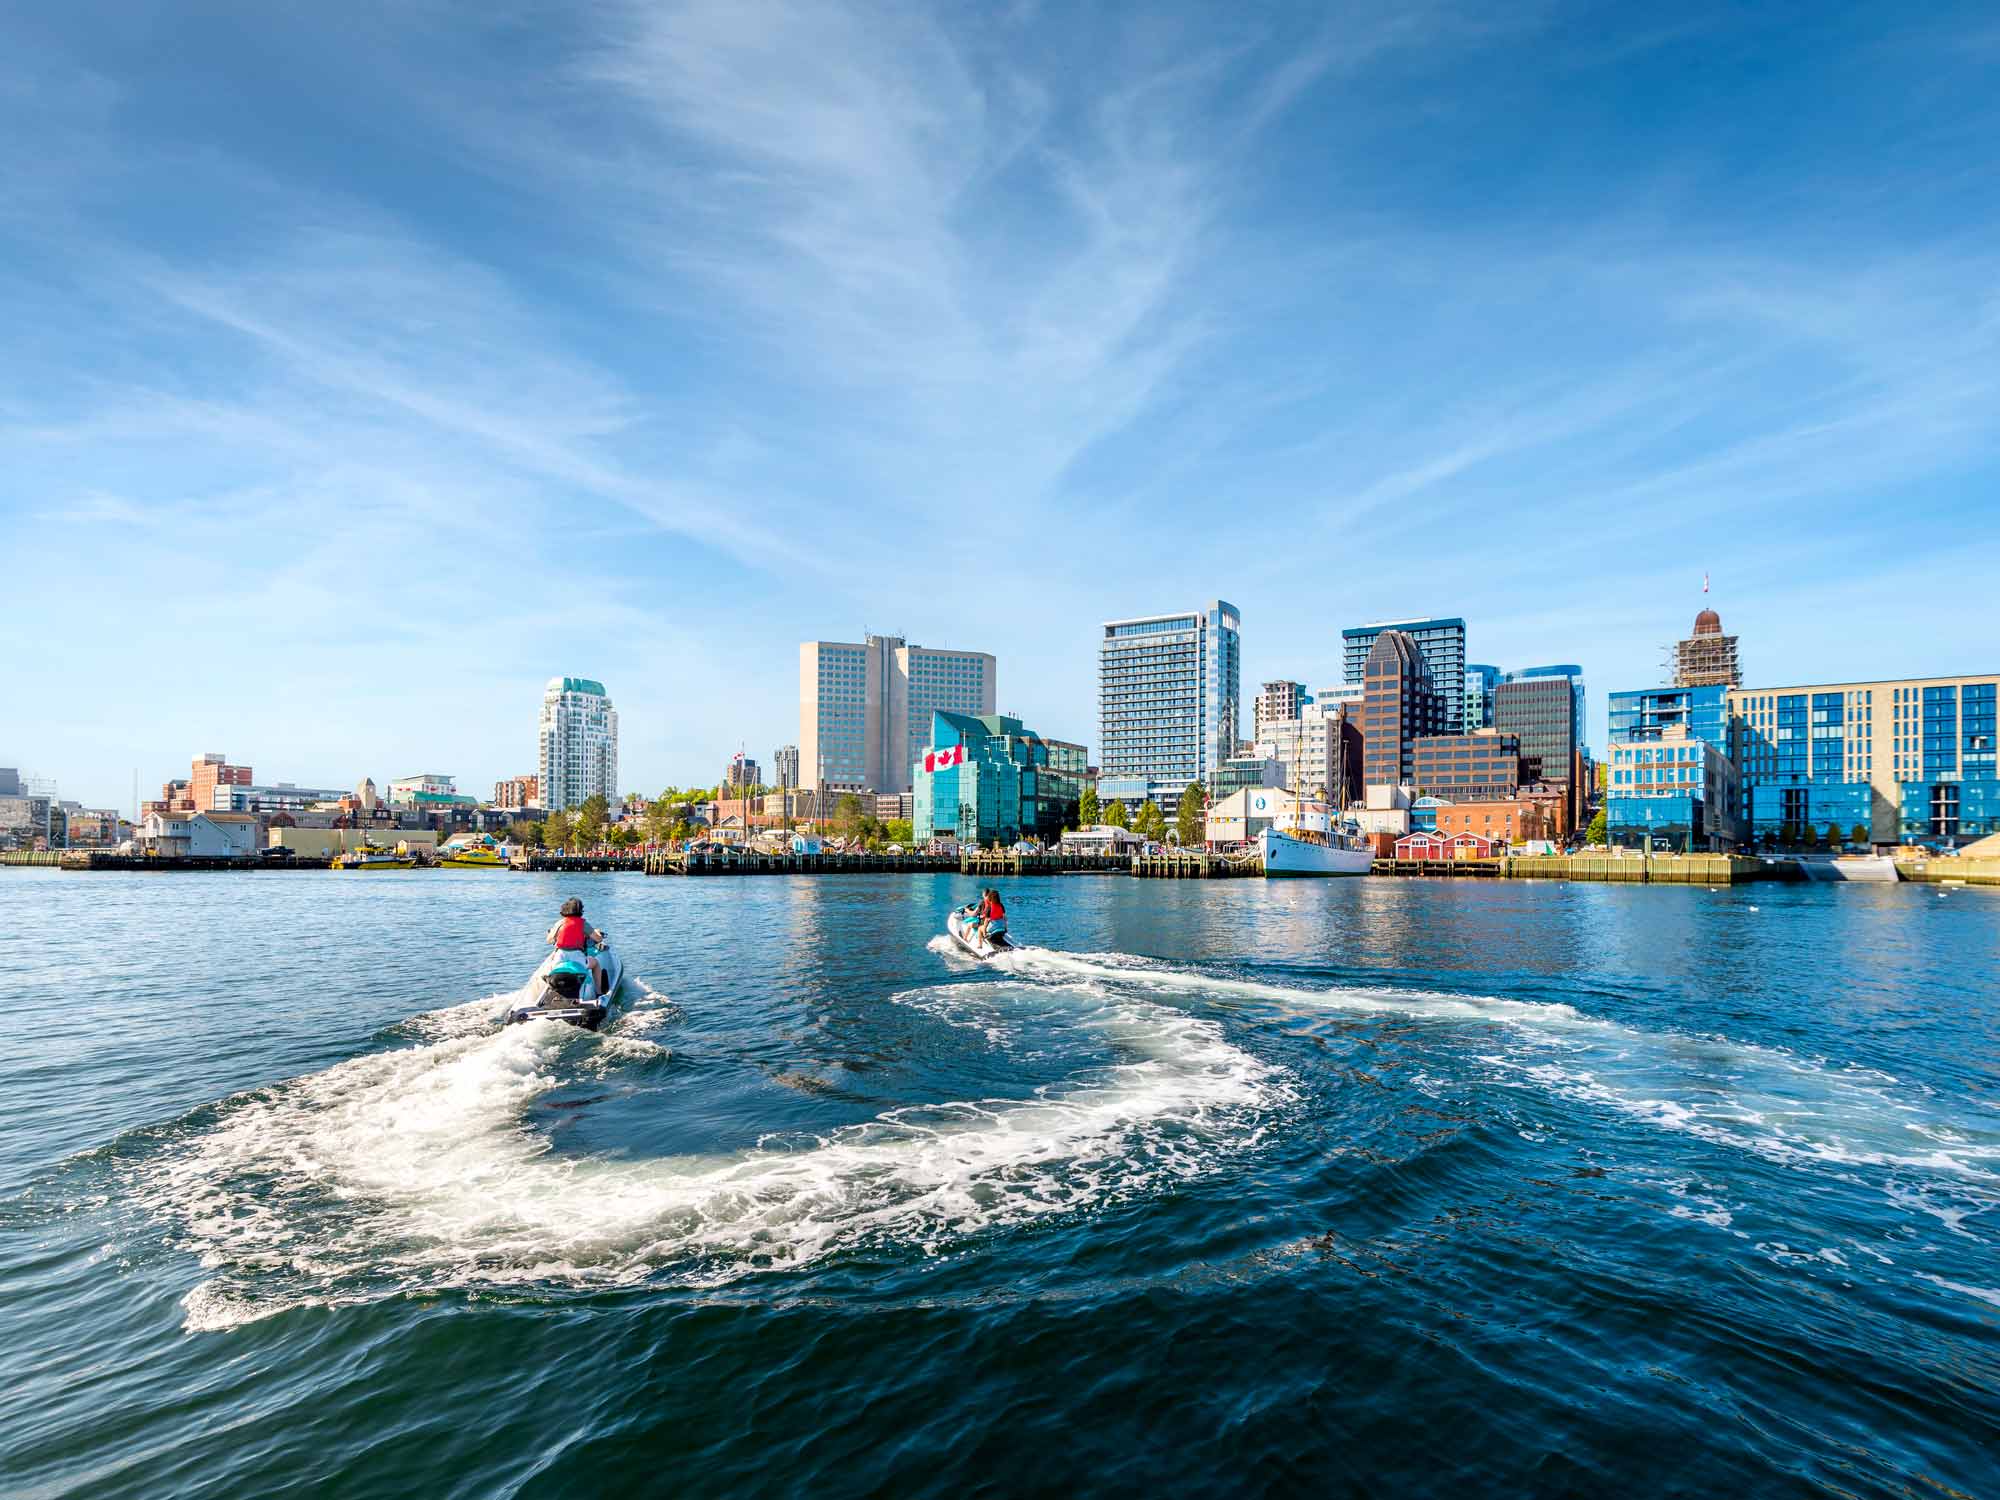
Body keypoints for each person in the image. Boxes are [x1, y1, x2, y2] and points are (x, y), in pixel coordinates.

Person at [545, 896, 606, 990]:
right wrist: (597, 932)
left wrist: (552, 933)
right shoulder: (583, 924)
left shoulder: (560, 923)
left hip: (560, 957)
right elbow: (598, 939)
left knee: (551, 962)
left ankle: (548, 986)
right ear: (580, 911)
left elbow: (549, 940)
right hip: (577, 958)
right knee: (596, 964)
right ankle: (599, 991)